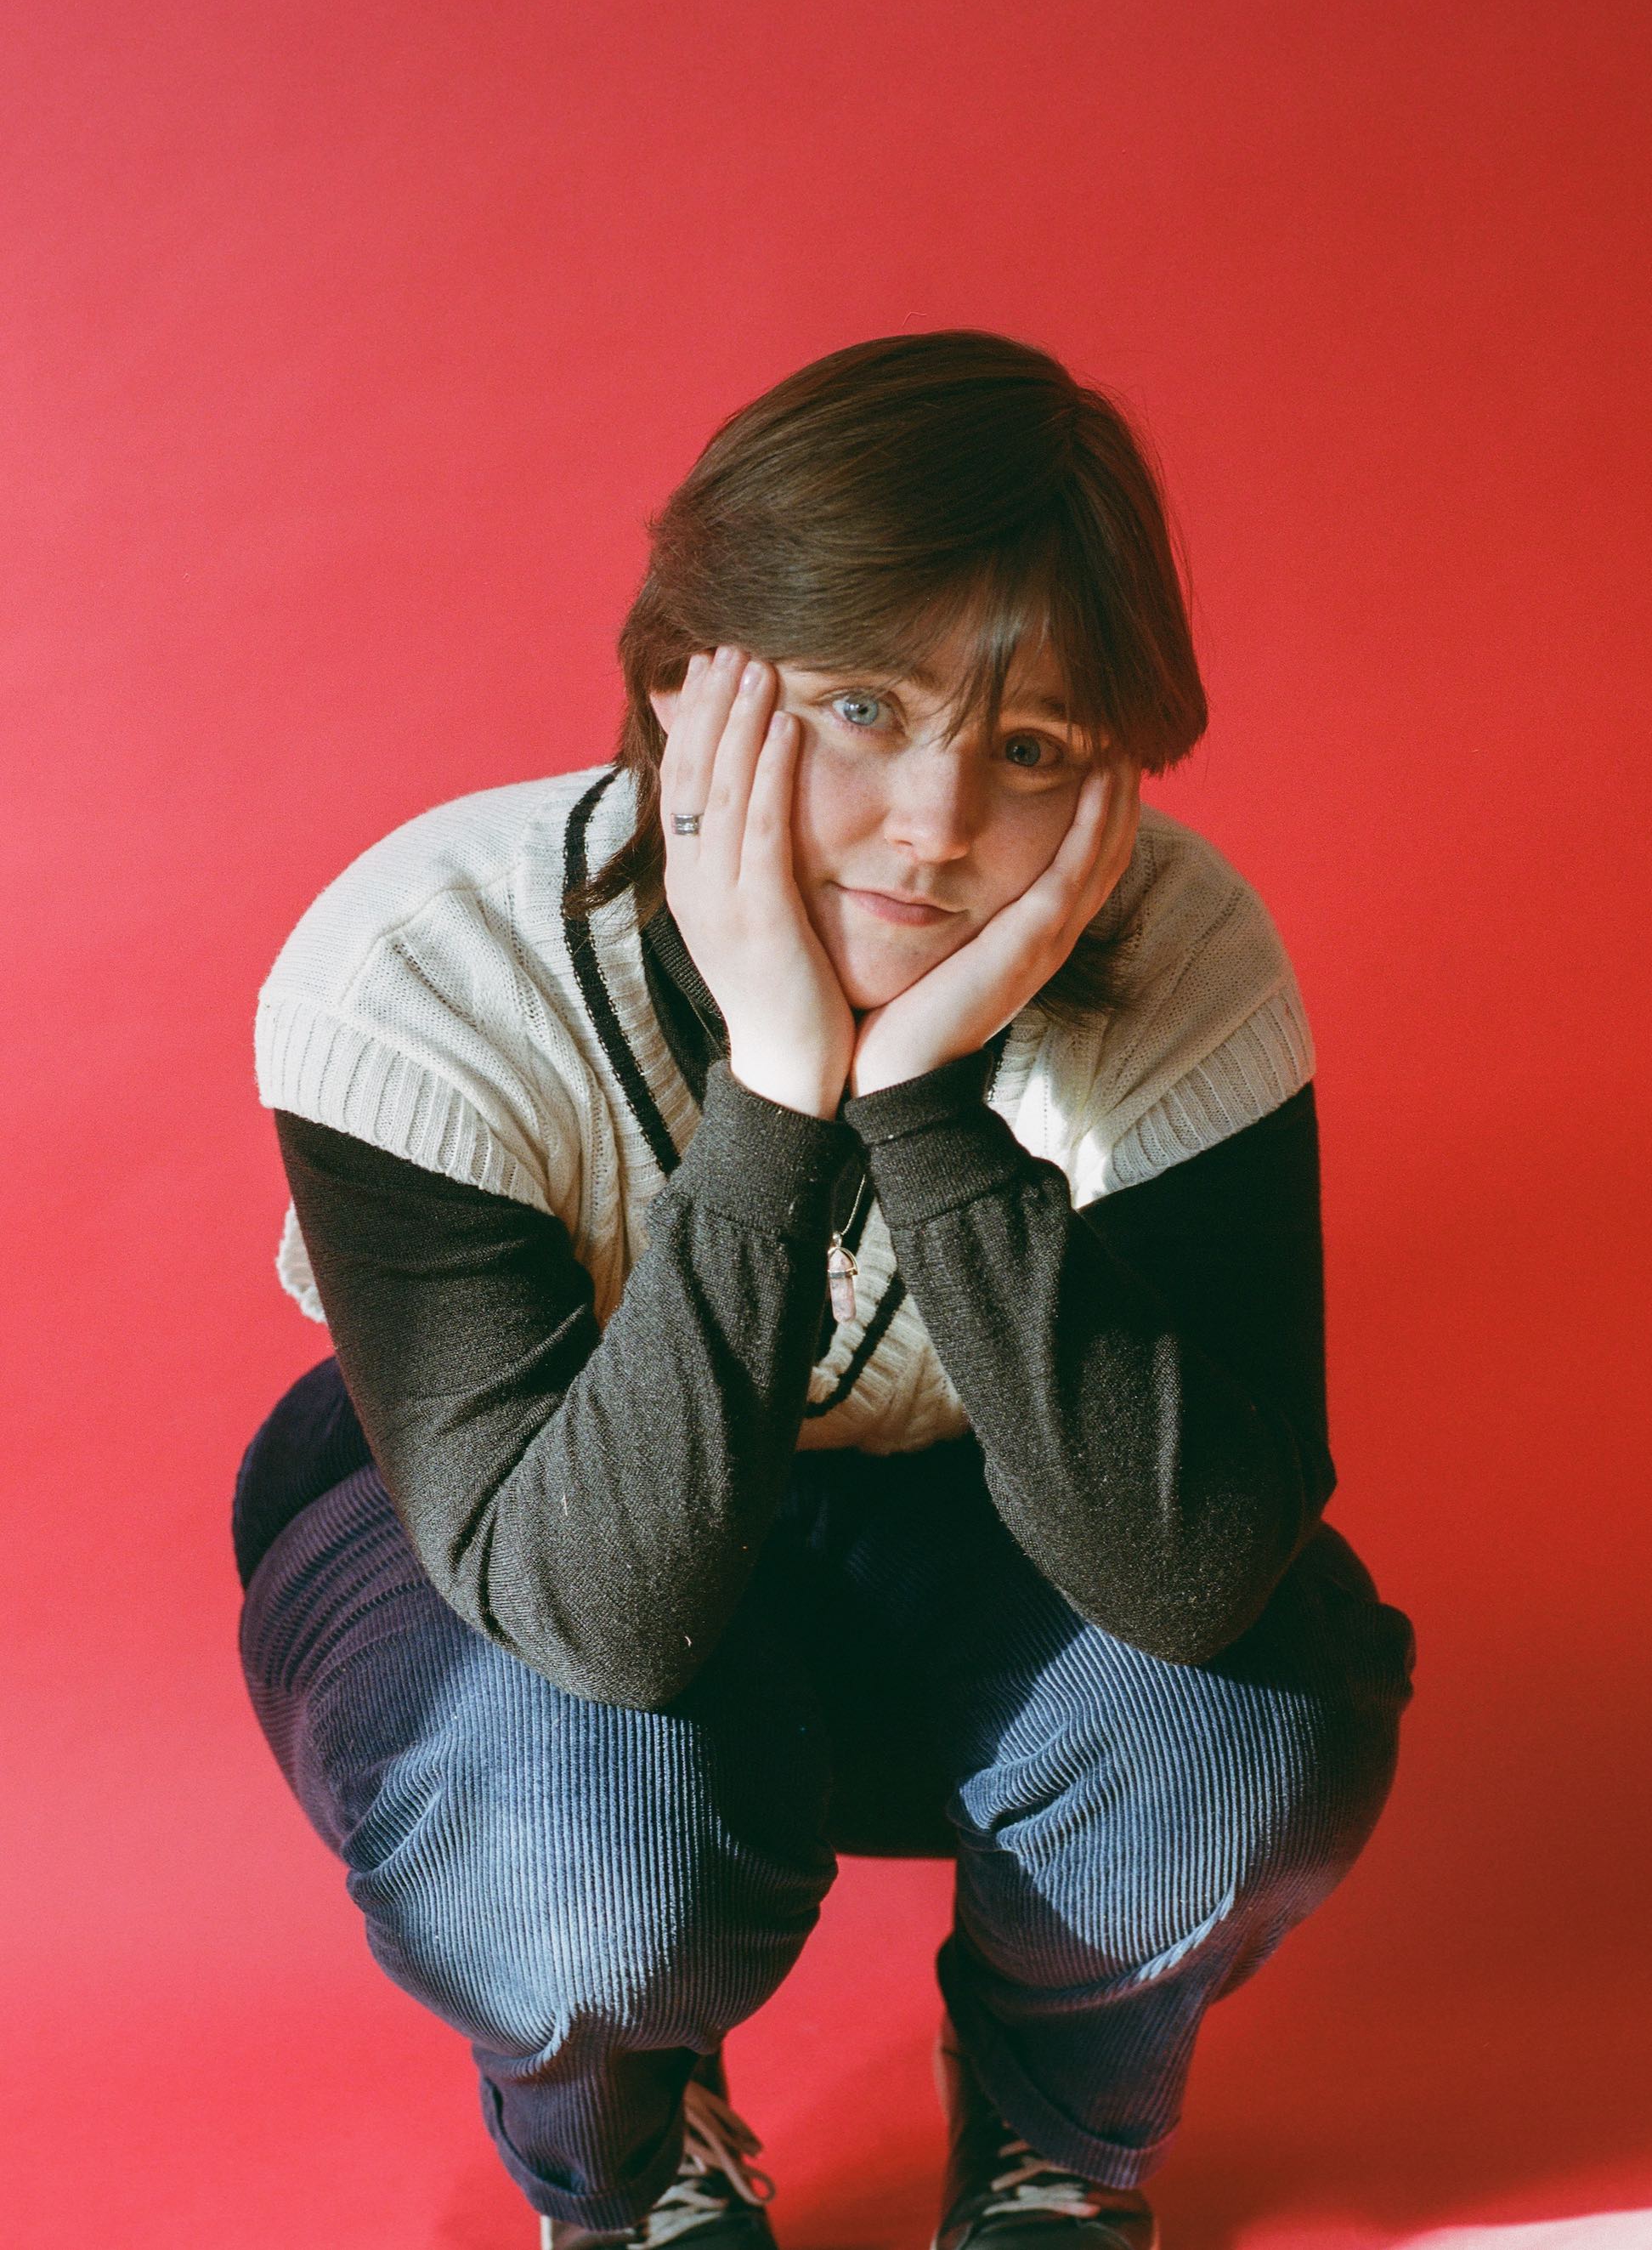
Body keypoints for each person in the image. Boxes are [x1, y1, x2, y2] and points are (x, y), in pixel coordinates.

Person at [233, 329, 1416, 2250]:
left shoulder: (1176, 955)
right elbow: (590, 1618)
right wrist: (780, 1097)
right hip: (529, 1564)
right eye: (861, 704)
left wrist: (925, 1102)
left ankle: (1056, 2135)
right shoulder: (428, 965)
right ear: (682, 680)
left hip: (974, 1532)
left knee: (1247, 1722)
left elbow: (1204, 1574)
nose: (938, 825)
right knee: (575, 1854)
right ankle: (627, 2161)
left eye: (1031, 749)